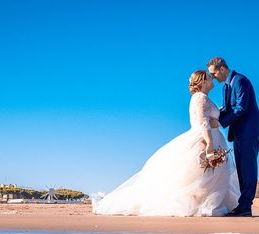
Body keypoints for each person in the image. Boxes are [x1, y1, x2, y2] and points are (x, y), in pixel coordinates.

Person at [93, 70, 238, 217]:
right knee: (200, 176)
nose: (212, 78)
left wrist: (217, 121)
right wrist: (209, 144)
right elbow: (203, 123)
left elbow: (210, 118)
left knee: (207, 176)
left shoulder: (204, 98)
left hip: (212, 137)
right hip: (202, 140)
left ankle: (208, 203)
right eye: (209, 77)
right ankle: (202, 205)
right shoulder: (200, 98)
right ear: (202, 82)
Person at [208, 57, 259, 217]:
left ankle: (246, 206)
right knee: (241, 169)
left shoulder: (241, 81)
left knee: (248, 169)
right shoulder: (225, 88)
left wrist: (219, 122)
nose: (213, 77)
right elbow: (227, 108)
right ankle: (243, 205)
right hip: (238, 133)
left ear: (222, 69)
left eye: (213, 74)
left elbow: (241, 108)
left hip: (249, 131)